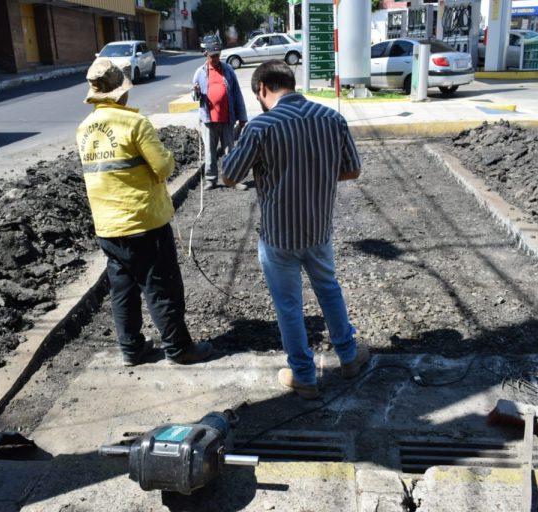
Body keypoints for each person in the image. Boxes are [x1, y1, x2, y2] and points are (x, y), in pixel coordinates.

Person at [221, 60, 369, 399]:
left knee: (289, 306)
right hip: (318, 229)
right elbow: (352, 170)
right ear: (291, 82)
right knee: (329, 289)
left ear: (262, 89)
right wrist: (315, 176)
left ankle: (304, 376)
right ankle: (348, 357)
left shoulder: (261, 127)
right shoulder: (332, 118)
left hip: (278, 236)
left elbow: (229, 176)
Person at [76, 58, 212, 366]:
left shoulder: (83, 129)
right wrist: (168, 155)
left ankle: (132, 349)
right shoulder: (134, 124)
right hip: (143, 222)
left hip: (108, 226)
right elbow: (163, 166)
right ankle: (179, 348)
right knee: (161, 286)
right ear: (120, 93)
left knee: (122, 289)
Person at [192, 41, 248, 191]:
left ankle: (233, 179)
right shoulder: (200, 72)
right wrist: (196, 92)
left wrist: (242, 116)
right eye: (212, 56)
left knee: (230, 151)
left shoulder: (228, 70)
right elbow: (195, 97)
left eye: (217, 55)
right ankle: (211, 179)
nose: (215, 58)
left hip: (227, 118)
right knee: (210, 152)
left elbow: (237, 93)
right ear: (206, 55)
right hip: (208, 119)